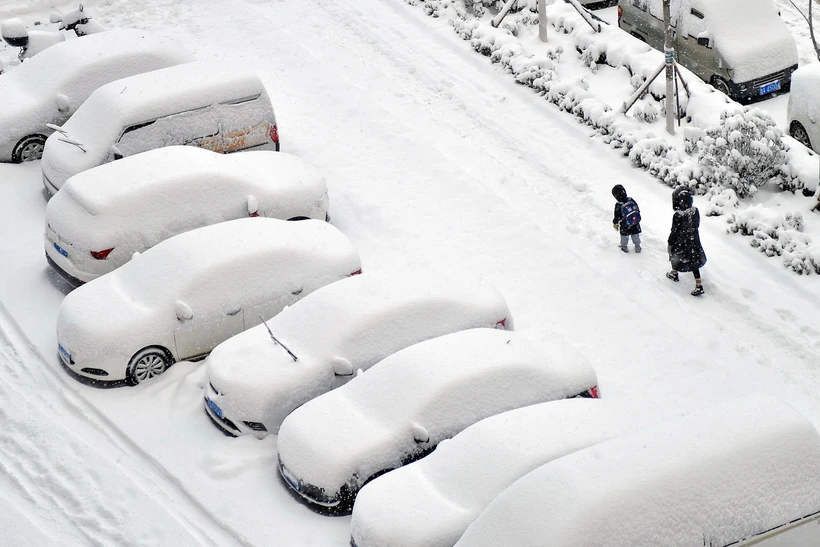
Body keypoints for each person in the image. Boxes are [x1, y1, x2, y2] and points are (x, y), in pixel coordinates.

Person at [666, 186, 707, 296]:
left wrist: (670, 242)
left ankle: (674, 273)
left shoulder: (678, 215)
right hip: (694, 239)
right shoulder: (695, 211)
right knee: (694, 260)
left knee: (676, 256)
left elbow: (674, 231)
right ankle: (699, 285)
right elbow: (696, 224)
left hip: (681, 240)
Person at [611, 184, 641, 253]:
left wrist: (615, 223)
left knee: (624, 236)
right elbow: (637, 208)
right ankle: (637, 247)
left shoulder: (619, 204)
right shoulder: (631, 199)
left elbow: (617, 217)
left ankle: (624, 247)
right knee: (635, 235)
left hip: (625, 224)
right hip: (635, 222)